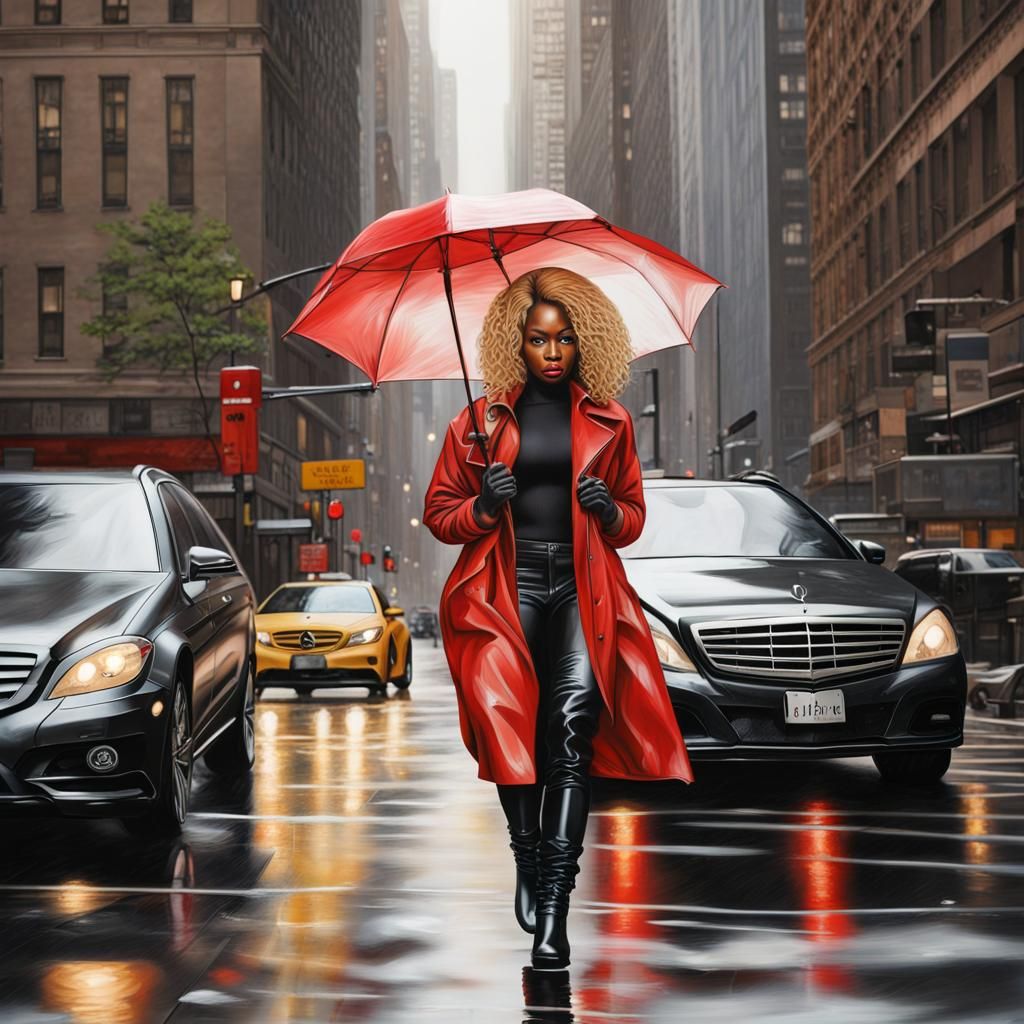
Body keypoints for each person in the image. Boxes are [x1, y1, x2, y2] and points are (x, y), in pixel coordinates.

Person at [423, 266, 693, 970]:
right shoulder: (477, 425)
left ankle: (553, 908)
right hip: (503, 589)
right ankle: (526, 854)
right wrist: (484, 504)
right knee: (513, 730)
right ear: (515, 342)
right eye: (539, 338)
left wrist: (609, 509)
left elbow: (632, 518)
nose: (552, 352)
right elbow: (440, 515)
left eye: (565, 338)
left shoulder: (611, 420)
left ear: (584, 342)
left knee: (570, 733)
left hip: (582, 587)